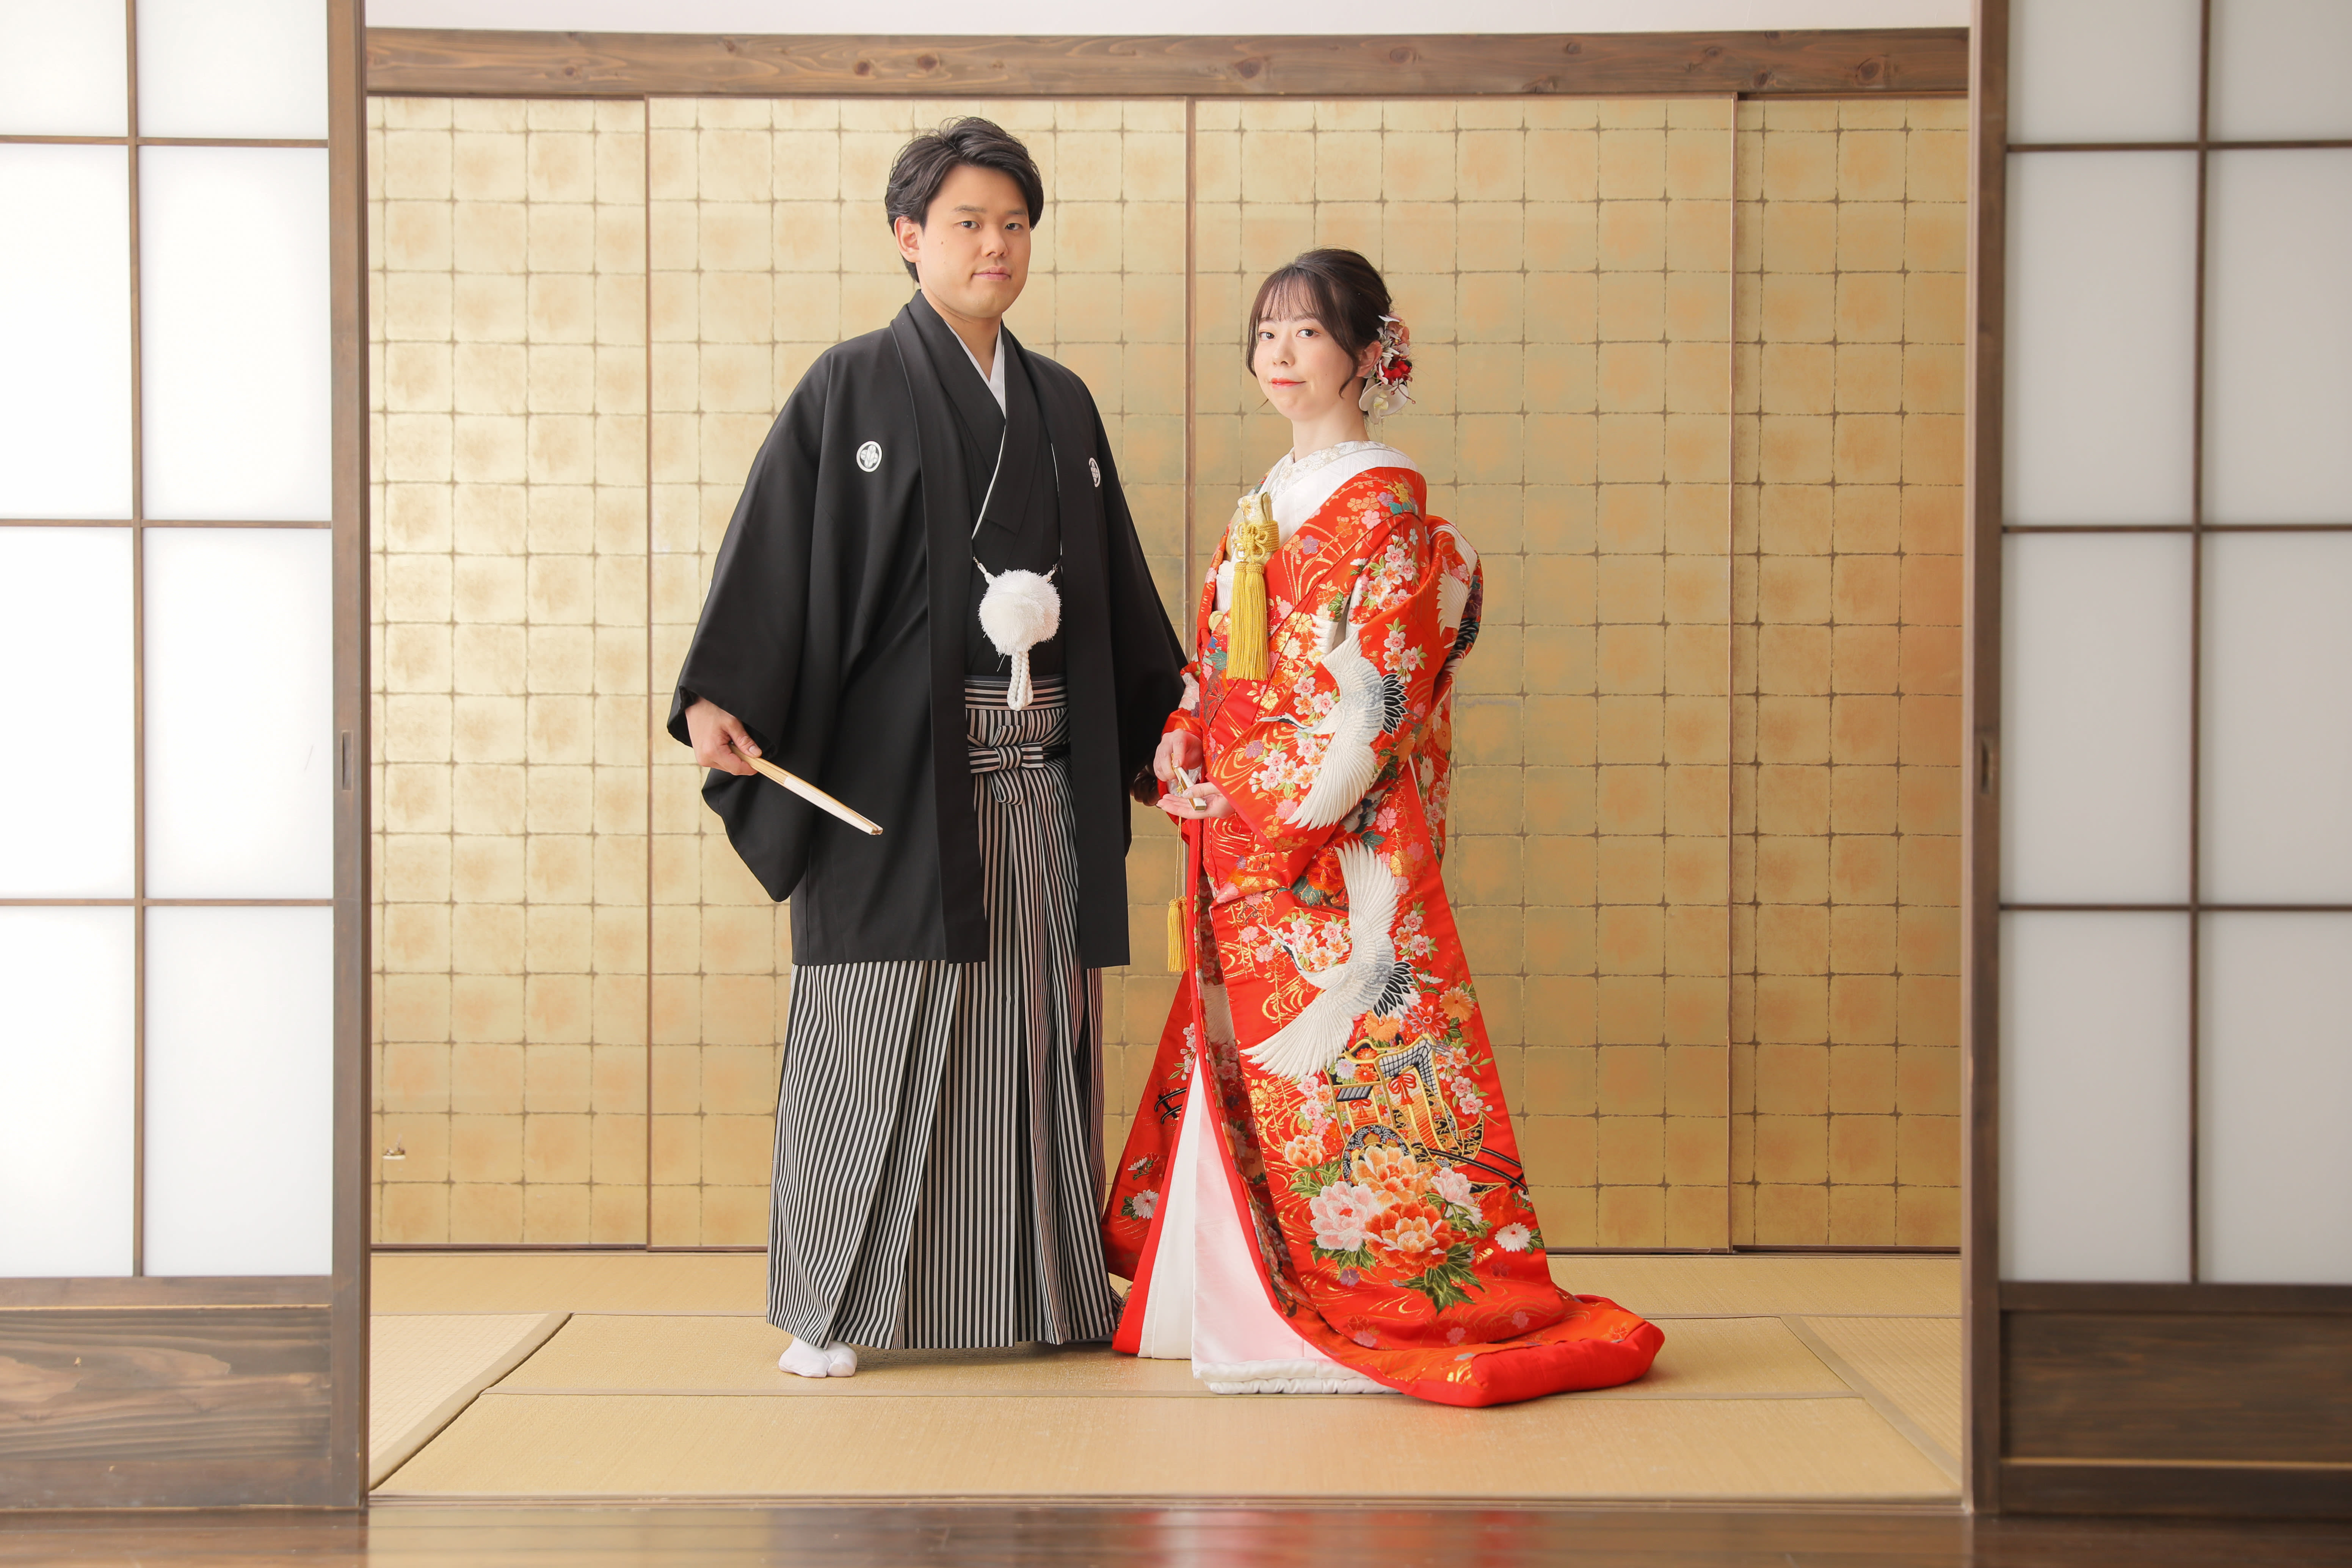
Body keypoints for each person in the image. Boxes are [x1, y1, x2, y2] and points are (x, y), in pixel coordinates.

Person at [670, 119, 1186, 1379]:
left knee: (1031, 1033)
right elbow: (778, 554)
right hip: (899, 779)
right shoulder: (849, 386)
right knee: (876, 1026)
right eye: (966, 223)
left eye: (1012, 224)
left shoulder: (1061, 402)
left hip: (1041, 780)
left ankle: (1043, 1290)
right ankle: (829, 1305)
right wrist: (718, 694)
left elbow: (1115, 591)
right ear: (909, 238)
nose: (993, 245)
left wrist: (1159, 727)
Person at [1102, 249, 1663, 1406]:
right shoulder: (1269, 498)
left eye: (1307, 333)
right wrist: (1181, 743)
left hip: (1329, 839)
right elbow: (1222, 661)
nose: (1280, 355)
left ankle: (1381, 1294)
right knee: (1255, 1062)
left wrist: (1256, 792)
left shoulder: (1384, 504)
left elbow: (1378, 695)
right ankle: (1228, 1303)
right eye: (1266, 333)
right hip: (1249, 829)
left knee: (1354, 1073)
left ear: (1368, 354)